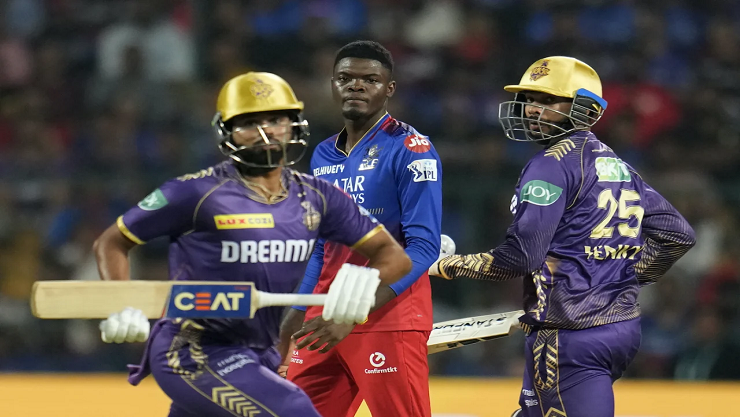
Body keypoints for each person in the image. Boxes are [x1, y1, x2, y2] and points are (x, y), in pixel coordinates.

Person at [92, 71, 413, 417]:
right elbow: (112, 242)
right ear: (226, 131)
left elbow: (394, 257)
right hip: (193, 350)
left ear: (293, 125)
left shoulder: (318, 197)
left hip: (261, 352)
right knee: (294, 410)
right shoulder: (194, 193)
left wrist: (367, 281)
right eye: (249, 123)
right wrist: (120, 302)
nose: (265, 132)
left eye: (275, 119)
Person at [430, 56, 696, 417]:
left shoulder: (550, 165)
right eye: (530, 99)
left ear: (584, 109)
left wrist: (444, 265)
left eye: (549, 100)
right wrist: (619, 281)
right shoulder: (617, 165)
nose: (532, 110)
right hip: (620, 328)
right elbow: (677, 235)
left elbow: (521, 257)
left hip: (568, 335)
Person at [279, 40, 443, 417]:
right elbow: (323, 246)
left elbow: (423, 247)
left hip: (386, 317)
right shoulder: (322, 154)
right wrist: (297, 310)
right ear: (332, 85)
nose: (356, 85)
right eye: (345, 78)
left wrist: (353, 312)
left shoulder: (411, 148)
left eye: (370, 79)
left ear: (389, 88)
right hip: (323, 317)